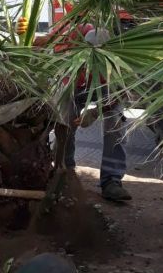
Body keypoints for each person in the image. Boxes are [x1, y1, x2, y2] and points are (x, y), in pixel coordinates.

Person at [32, 20, 132, 201]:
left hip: (106, 91)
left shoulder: (118, 59)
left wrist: (94, 113)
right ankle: (65, 170)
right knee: (65, 119)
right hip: (72, 87)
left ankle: (111, 181)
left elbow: (121, 93)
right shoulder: (68, 40)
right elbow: (39, 43)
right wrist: (27, 33)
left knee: (115, 123)